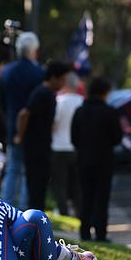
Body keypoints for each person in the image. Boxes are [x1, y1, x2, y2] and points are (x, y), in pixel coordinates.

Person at [14, 61, 73, 210]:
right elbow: (24, 114)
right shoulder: (42, 93)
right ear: (53, 78)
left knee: (40, 185)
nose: (63, 83)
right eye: (62, 79)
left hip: (44, 146)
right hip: (35, 147)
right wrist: (20, 136)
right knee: (35, 184)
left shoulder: (50, 95)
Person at [72, 77, 123, 241]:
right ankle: (101, 232)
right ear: (104, 93)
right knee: (102, 197)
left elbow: (74, 138)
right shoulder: (110, 112)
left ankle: (84, 231)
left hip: (84, 159)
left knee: (85, 196)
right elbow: (117, 137)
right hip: (104, 160)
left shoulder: (80, 111)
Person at [0, 32, 44, 209]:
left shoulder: (7, 72)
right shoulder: (39, 73)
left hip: (11, 127)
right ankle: (25, 211)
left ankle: (7, 207)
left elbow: (2, 101)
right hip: (33, 130)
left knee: (12, 169)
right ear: (35, 51)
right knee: (27, 172)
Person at [50, 71, 84, 216]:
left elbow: (53, 125)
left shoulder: (59, 102)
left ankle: (63, 210)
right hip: (77, 148)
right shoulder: (82, 102)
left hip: (59, 146)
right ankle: (79, 210)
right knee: (77, 183)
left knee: (60, 183)